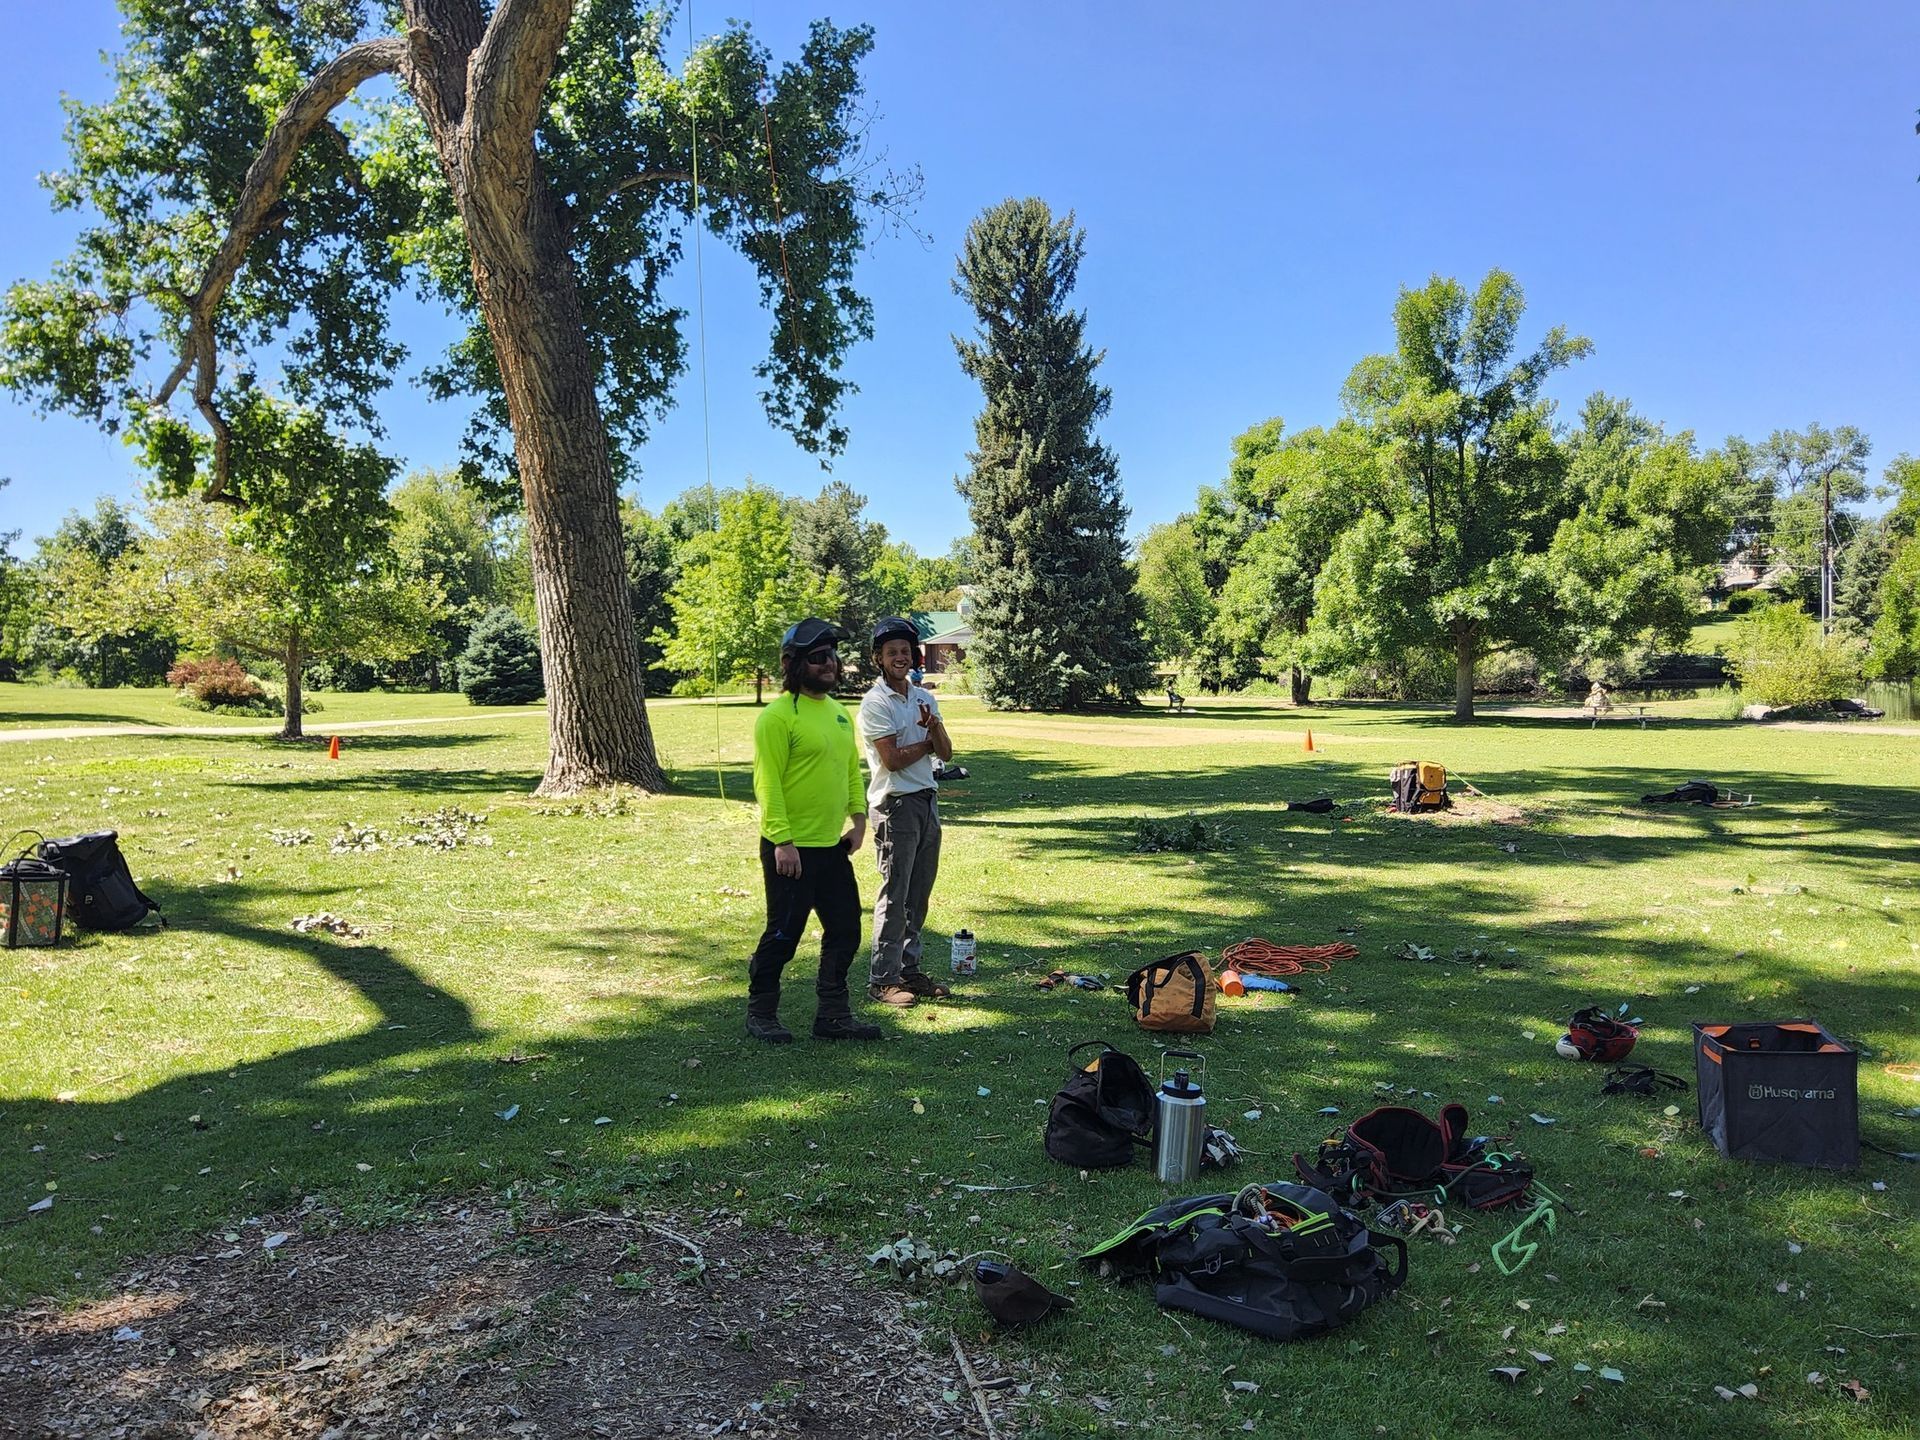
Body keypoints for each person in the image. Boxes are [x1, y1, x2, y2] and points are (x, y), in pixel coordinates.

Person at [745, 618, 878, 1043]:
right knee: (784, 934)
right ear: (792, 663)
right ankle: (761, 1012)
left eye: (833, 657)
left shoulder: (839, 714)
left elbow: (851, 773)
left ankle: (833, 1016)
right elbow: (768, 784)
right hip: (791, 850)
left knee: (846, 930)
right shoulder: (777, 718)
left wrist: (859, 821)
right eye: (818, 658)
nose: (829, 665)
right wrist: (782, 842)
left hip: (831, 847)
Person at [858, 616, 955, 1007]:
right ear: (878, 659)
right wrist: (927, 742)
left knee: (919, 895)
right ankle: (883, 979)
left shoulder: (924, 697)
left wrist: (934, 731)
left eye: (905, 651)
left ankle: (909, 972)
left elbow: (947, 752)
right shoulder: (875, 702)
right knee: (894, 896)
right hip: (895, 805)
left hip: (927, 802)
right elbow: (893, 760)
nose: (900, 657)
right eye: (891, 652)